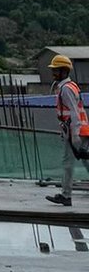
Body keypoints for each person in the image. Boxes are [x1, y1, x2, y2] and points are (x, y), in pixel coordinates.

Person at [46, 54, 89, 208]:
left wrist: (75, 133)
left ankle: (66, 196)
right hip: (79, 131)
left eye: (56, 71)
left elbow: (74, 113)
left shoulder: (66, 89)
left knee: (68, 163)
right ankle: (66, 195)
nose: (53, 74)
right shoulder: (68, 87)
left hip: (76, 132)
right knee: (85, 160)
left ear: (64, 71)